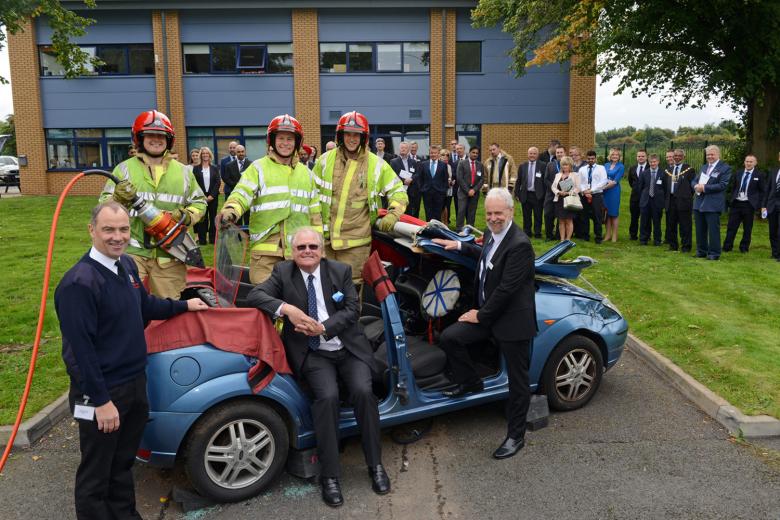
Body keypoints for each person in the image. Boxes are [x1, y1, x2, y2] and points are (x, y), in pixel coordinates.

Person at [55, 201, 208, 520]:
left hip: (134, 385)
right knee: (97, 472)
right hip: (103, 393)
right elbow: (80, 353)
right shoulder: (78, 284)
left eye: (123, 229)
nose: (117, 236)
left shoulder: (124, 266)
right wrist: (101, 402)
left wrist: (184, 306)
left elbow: (145, 306)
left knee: (122, 462)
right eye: (108, 229)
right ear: (91, 230)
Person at [247, 228, 389, 507]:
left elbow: (352, 310)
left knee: (363, 391)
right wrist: (287, 309)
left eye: (313, 246)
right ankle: (330, 476)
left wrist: (323, 327)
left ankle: (376, 465)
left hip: (347, 349)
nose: (308, 251)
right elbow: (255, 296)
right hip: (314, 354)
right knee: (327, 397)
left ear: (322, 251)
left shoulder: (340, 270)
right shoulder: (282, 273)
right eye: (301, 247)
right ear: (292, 252)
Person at [433, 188, 536, 460]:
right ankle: (470, 383)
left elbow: (506, 289)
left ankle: (516, 436)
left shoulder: (520, 245)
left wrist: (479, 315)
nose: (493, 218)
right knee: (450, 338)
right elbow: (484, 255)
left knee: (518, 382)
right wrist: (460, 246)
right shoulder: (491, 232)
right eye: (489, 213)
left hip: (512, 319)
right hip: (489, 313)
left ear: (511, 212)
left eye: (498, 213)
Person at [99, 110, 206, 299]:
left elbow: (199, 202)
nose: (156, 139)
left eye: (161, 135)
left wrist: (186, 216)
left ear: (169, 140)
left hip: (170, 254)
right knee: (125, 304)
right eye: (150, 135)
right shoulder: (124, 169)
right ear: (139, 138)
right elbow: (103, 208)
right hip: (132, 253)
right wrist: (118, 199)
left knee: (169, 308)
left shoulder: (183, 172)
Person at [219, 114, 323, 283]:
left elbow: (315, 216)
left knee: (297, 304)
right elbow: (241, 193)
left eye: (290, 139)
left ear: (297, 142)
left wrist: (319, 250)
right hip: (265, 255)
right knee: (266, 303)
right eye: (280, 138)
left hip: (299, 255)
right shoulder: (258, 168)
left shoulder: (307, 174)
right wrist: (231, 210)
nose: (285, 143)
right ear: (272, 141)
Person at [312, 111, 408, 284]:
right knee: (324, 289)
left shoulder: (376, 164)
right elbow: (311, 194)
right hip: (324, 242)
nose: (352, 139)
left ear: (364, 137)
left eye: (356, 135)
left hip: (356, 244)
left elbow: (398, 191)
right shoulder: (324, 160)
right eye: (347, 134)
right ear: (340, 136)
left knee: (351, 291)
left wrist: (393, 213)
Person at [692, 145, 732, 260]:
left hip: (713, 204)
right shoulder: (704, 167)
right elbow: (695, 180)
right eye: (708, 154)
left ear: (718, 154)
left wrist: (704, 188)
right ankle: (701, 251)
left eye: (712, 154)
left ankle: (714, 253)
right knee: (700, 229)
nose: (709, 156)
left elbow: (723, 185)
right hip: (699, 202)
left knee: (713, 230)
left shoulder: (725, 168)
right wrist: (695, 185)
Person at [722, 154, 765, 253]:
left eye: (751, 162)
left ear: (755, 163)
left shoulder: (759, 175)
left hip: (749, 205)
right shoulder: (738, 173)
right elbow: (732, 187)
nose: (749, 163)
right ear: (744, 162)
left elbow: (762, 191)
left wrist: (759, 204)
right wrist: (730, 199)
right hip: (736, 203)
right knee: (731, 226)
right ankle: (727, 247)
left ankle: (744, 248)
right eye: (747, 161)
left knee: (747, 228)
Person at [664, 148, 695, 252]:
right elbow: (665, 186)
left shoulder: (689, 170)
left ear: (683, 157)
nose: (677, 157)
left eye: (679, 156)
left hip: (683, 201)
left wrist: (686, 196)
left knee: (685, 225)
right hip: (671, 200)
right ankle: (673, 245)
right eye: (675, 156)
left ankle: (686, 246)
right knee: (671, 224)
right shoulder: (669, 170)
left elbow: (692, 187)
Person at [515, 146, 547, 238]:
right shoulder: (522, 166)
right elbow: (519, 181)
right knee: (526, 215)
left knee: (538, 215)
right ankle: (527, 232)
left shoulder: (543, 165)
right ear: (528, 154)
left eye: (534, 153)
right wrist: (517, 193)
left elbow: (545, 181)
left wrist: (544, 195)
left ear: (537, 155)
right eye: (530, 153)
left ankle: (537, 233)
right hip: (525, 194)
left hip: (538, 195)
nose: (532, 155)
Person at [576, 150, 607, 243]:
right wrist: (584, 191)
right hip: (585, 195)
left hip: (596, 195)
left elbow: (603, 181)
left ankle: (598, 237)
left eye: (592, 158)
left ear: (595, 158)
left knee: (597, 216)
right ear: (586, 159)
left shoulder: (601, 168)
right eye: (589, 159)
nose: (590, 160)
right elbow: (579, 182)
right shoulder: (582, 169)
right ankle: (585, 236)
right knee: (584, 216)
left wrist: (591, 190)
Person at [193, 146, 221, 245]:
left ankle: (213, 239)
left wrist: (212, 196)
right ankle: (202, 240)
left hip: (213, 197)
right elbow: (194, 184)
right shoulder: (196, 169)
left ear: (210, 155)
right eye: (203, 153)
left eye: (207, 153)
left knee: (213, 217)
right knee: (202, 219)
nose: (205, 155)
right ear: (201, 155)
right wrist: (202, 196)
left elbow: (218, 182)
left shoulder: (215, 168)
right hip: (201, 198)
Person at [637, 154, 666, 246]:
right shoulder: (644, 173)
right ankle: (643, 239)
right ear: (648, 162)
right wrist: (643, 197)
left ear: (658, 162)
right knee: (644, 221)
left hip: (657, 201)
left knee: (657, 222)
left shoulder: (663, 173)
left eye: (654, 162)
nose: (653, 164)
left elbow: (665, 188)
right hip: (646, 201)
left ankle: (657, 240)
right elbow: (640, 187)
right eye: (651, 162)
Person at [416, 144, 449, 222]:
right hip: (426, 192)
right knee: (428, 213)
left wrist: (443, 190)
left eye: (435, 153)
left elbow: (445, 179)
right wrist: (422, 189)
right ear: (429, 153)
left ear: (438, 154)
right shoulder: (423, 164)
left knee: (437, 213)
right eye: (431, 153)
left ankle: (436, 230)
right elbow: (419, 178)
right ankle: (429, 229)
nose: (433, 154)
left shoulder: (443, 165)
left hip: (439, 193)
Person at [551, 156, 580, 241]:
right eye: (563, 165)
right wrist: (558, 192)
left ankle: (568, 239)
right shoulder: (557, 175)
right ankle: (562, 239)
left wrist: (568, 193)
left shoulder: (575, 175)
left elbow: (578, 188)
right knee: (561, 221)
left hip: (570, 200)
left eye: (566, 165)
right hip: (559, 200)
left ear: (570, 165)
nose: (564, 167)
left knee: (568, 220)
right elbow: (553, 187)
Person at [390, 142, 421, 218]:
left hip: (411, 190)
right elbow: (393, 175)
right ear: (399, 149)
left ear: (408, 150)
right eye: (402, 148)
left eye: (405, 148)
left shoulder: (413, 162)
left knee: (410, 212)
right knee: (400, 212)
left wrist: (411, 179)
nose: (403, 149)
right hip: (400, 190)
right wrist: (404, 181)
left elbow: (417, 173)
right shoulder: (393, 161)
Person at [456, 145, 483, 230]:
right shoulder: (462, 163)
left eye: (476, 153)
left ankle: (469, 229)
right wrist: (468, 190)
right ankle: (459, 229)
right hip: (463, 192)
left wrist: (474, 190)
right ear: (469, 153)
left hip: (474, 193)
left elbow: (482, 179)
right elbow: (459, 178)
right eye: (473, 152)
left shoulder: (480, 165)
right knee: (461, 211)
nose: (475, 154)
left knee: (472, 212)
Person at [222, 144, 251, 225]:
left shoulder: (251, 165)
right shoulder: (229, 165)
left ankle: (247, 236)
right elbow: (226, 178)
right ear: (235, 152)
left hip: (247, 195)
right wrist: (237, 186)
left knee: (247, 217)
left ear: (245, 152)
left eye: (242, 152)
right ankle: (238, 236)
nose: (241, 153)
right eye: (238, 152)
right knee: (237, 218)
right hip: (234, 194)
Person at [543, 145, 566, 240]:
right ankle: (549, 235)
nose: (559, 154)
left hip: (563, 195)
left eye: (561, 152)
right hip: (550, 194)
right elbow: (546, 179)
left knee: (560, 215)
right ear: (555, 154)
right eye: (558, 152)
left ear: (564, 153)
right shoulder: (550, 164)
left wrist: (562, 191)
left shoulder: (567, 165)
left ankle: (558, 235)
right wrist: (554, 189)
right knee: (548, 214)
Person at [602, 148, 625, 242]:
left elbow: (615, 181)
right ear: (610, 156)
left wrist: (603, 187)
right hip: (605, 192)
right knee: (607, 214)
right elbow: (602, 177)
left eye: (616, 155)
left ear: (619, 156)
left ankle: (614, 236)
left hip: (613, 191)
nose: (614, 156)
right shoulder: (606, 165)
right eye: (613, 155)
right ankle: (607, 235)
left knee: (614, 214)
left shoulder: (621, 166)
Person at [627, 150, 648, 240]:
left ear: (646, 157)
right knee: (634, 216)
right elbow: (631, 182)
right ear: (636, 157)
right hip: (635, 196)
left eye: (642, 156)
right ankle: (633, 234)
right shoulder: (632, 168)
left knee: (646, 217)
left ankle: (645, 235)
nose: (640, 158)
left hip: (646, 196)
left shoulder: (650, 167)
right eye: (639, 156)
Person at [766, 153, 780, 261]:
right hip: (772, 205)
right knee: (772, 231)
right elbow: (768, 189)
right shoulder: (773, 171)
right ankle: (775, 253)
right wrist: (763, 205)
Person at [438, 148, 454, 224]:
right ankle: (440, 223)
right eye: (443, 155)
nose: (445, 156)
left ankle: (446, 223)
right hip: (439, 190)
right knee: (440, 208)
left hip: (448, 190)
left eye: (447, 155)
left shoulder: (449, 166)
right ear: (439, 156)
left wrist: (451, 182)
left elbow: (450, 177)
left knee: (446, 207)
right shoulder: (437, 165)